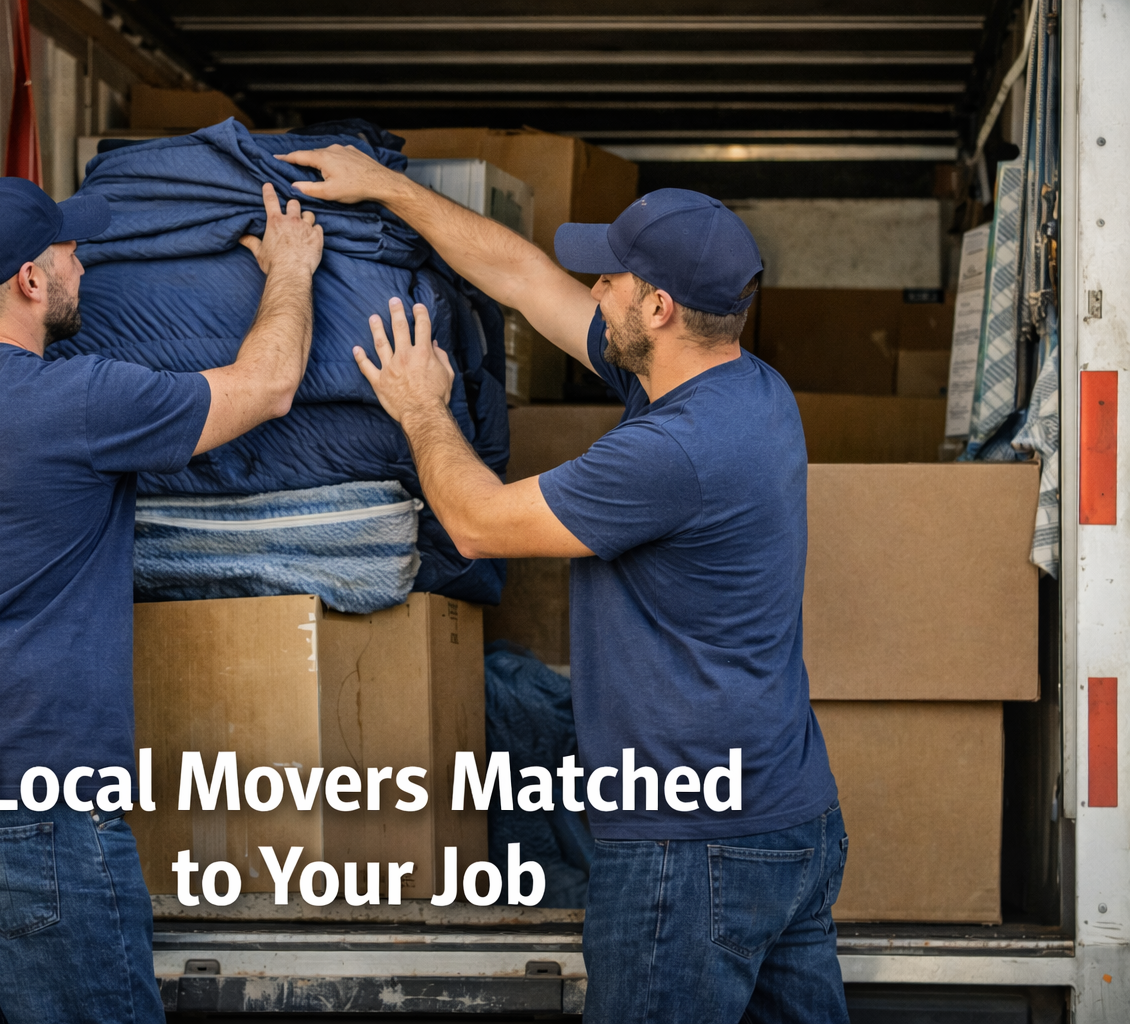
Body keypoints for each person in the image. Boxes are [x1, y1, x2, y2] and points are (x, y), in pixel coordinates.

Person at [278, 147, 848, 1023]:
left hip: (691, 850)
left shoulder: (671, 454)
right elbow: (522, 277)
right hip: (787, 817)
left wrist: (420, 404)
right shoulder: (745, 387)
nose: (594, 288)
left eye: (611, 279)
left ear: (657, 307)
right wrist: (386, 186)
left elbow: (476, 522)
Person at [0, 176, 324, 1024]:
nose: (85, 258)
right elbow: (267, 387)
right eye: (70, 248)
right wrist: (291, 270)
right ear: (33, 281)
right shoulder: (77, 399)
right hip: (27, 813)